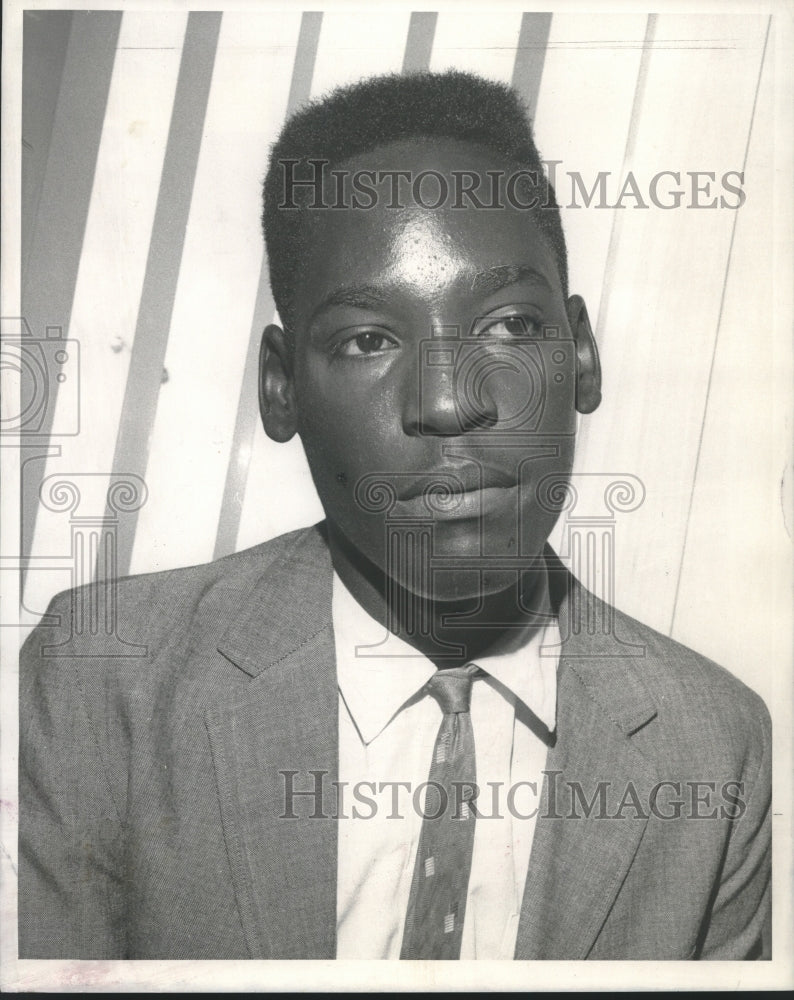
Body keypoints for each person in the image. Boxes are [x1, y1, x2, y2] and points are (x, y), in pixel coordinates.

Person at [19, 70, 771, 961]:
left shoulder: (714, 748)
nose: (450, 403)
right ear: (280, 387)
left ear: (582, 357)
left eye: (507, 327)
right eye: (369, 340)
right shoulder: (104, 687)